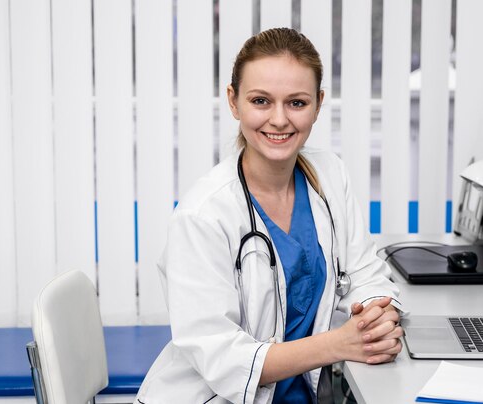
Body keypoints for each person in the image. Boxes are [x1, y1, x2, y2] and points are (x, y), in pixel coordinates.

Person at [135, 27, 404, 404]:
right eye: (261, 101)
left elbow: (366, 272)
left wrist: (377, 317)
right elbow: (223, 357)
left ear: (318, 103)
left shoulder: (329, 175)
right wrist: (339, 344)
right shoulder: (202, 215)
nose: (279, 120)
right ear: (233, 101)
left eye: (296, 103)